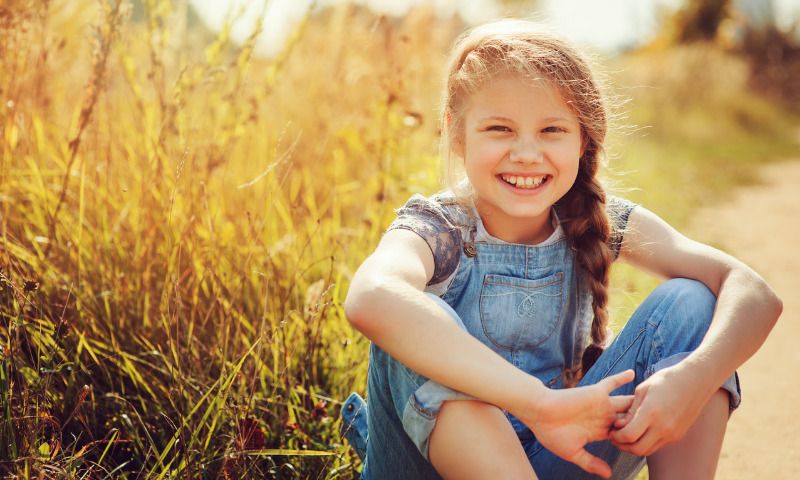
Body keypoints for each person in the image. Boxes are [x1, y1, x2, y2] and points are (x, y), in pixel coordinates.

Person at [339, 19, 782, 480]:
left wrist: (694, 379)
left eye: (552, 129)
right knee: (414, 321)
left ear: (582, 138)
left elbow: (754, 292)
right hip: (427, 467)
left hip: (564, 456)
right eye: (499, 128)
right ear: (456, 133)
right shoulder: (438, 229)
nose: (527, 153)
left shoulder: (595, 218)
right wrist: (540, 406)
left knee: (691, 302)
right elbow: (371, 297)